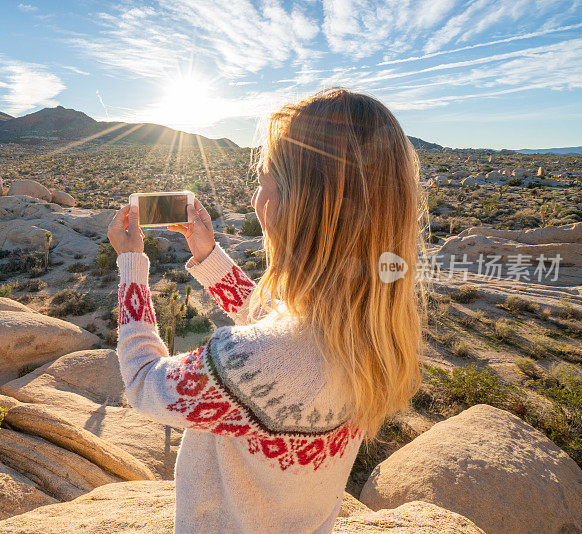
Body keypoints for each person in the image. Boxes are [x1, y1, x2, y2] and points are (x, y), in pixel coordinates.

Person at [107, 87, 425, 533]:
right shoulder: (371, 329)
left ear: (296, 203)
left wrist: (130, 265)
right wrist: (208, 254)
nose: (257, 197)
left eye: (263, 180)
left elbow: (143, 381)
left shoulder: (252, 361)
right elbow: (277, 324)